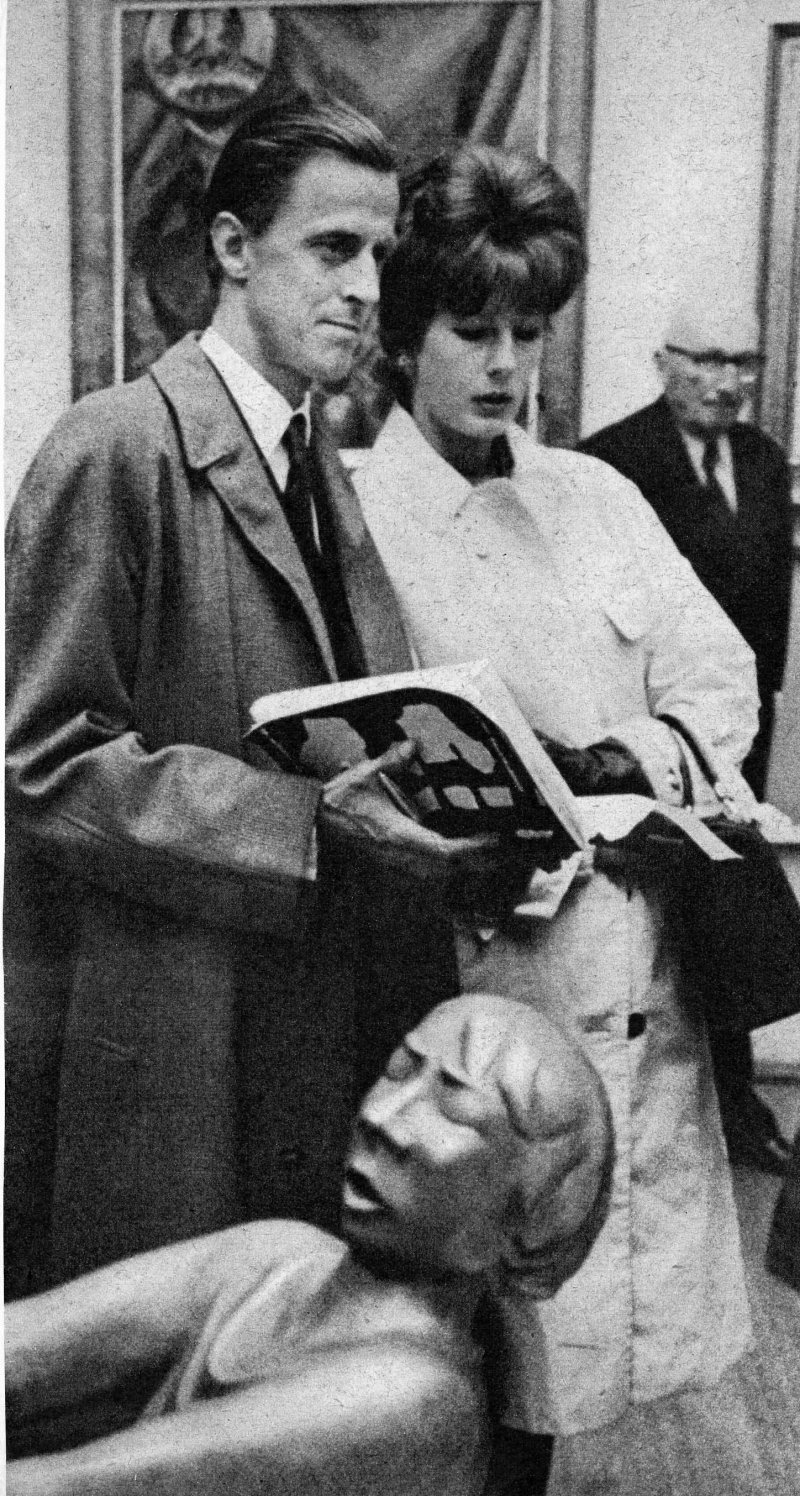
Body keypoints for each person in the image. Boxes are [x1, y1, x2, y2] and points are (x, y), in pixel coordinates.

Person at [4, 97, 534, 1303]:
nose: (363, 289)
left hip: (307, 1011)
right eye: (331, 249)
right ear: (234, 250)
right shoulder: (115, 447)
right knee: (172, 1371)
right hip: (174, 1033)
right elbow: (38, 761)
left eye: (380, 257)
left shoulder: (309, 454)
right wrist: (299, 824)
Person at [354, 142, 758, 1438]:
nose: (504, 365)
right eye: (471, 330)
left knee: (618, 1335)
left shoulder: (598, 496)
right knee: (479, 1358)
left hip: (644, 958)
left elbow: (717, 671)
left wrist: (655, 759)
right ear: (405, 334)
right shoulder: (357, 515)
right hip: (486, 985)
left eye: (527, 331)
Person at [4, 993, 613, 1496]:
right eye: (400, 1069)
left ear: (523, 1225)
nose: (383, 1115)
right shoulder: (277, 1258)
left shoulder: (407, 1397)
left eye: (452, 1105)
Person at [578, 303, 794, 1174]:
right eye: (706, 361)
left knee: (736, 903)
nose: (727, 381)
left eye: (742, 361)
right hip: (644, 738)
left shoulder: (764, 459)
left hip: (736, 724)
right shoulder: (610, 463)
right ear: (662, 362)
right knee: (667, 915)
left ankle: (732, 1100)